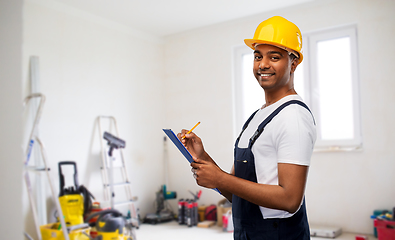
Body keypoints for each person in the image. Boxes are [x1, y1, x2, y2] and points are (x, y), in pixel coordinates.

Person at [178, 16, 316, 240]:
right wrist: (203, 156)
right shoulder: (259, 115)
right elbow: (235, 192)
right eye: (258, 56)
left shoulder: (293, 117)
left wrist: (220, 179)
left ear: (294, 63)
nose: (263, 64)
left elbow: (290, 200)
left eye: (274, 57)